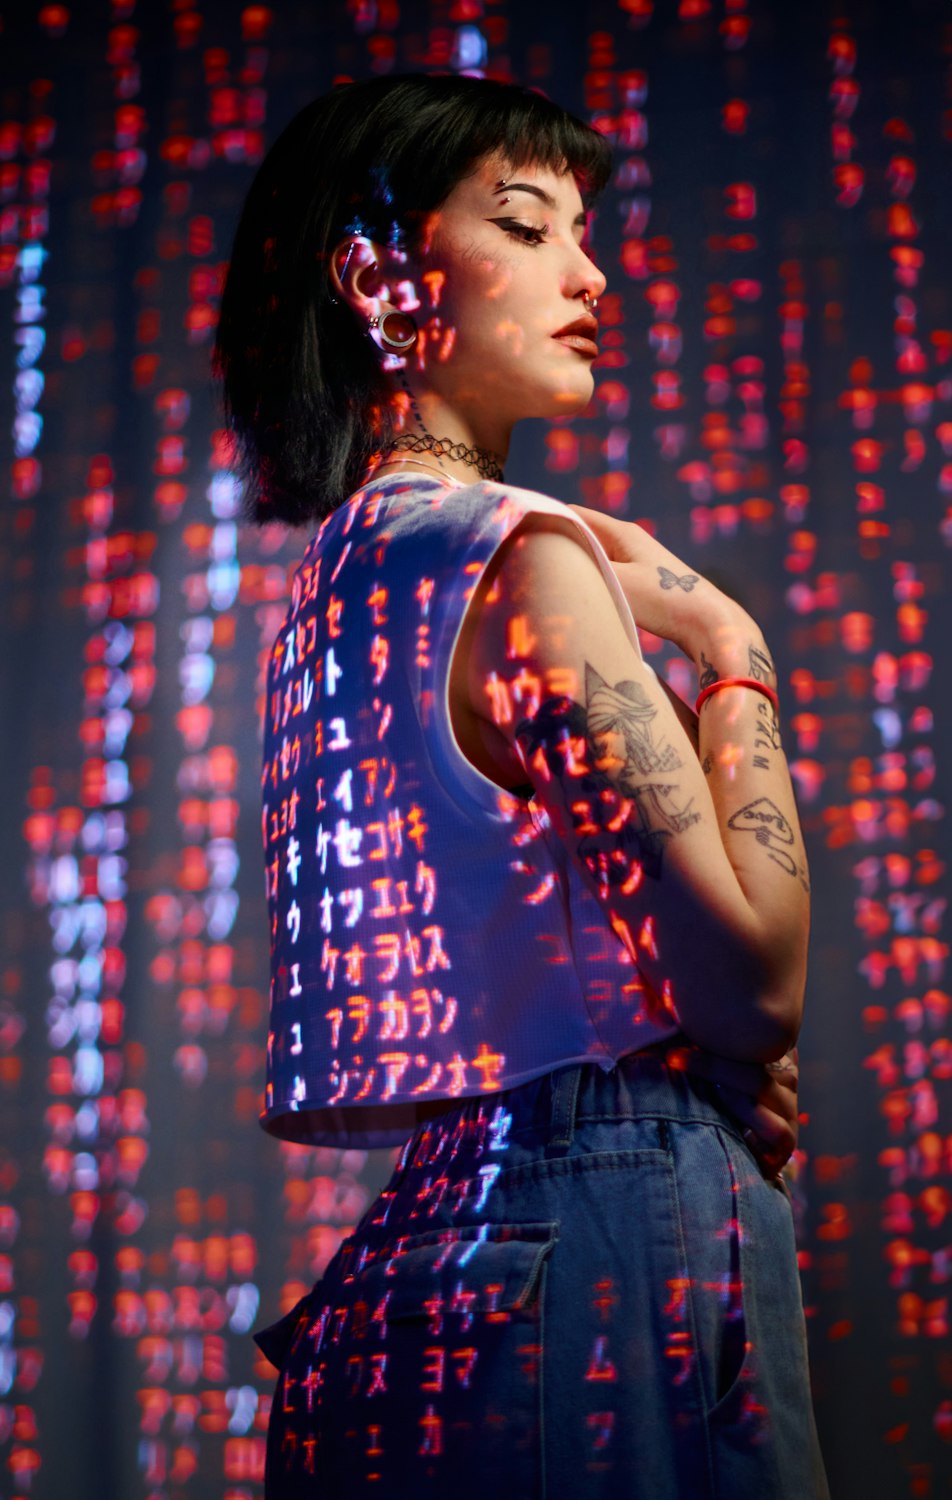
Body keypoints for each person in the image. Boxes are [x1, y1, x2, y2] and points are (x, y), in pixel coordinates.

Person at [213, 71, 829, 1500]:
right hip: (600, 1229)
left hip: (419, 1260)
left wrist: (698, 1043)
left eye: (581, 229)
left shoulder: (336, 583)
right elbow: (758, 978)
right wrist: (734, 648)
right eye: (527, 223)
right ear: (374, 275)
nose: (590, 270)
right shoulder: (520, 557)